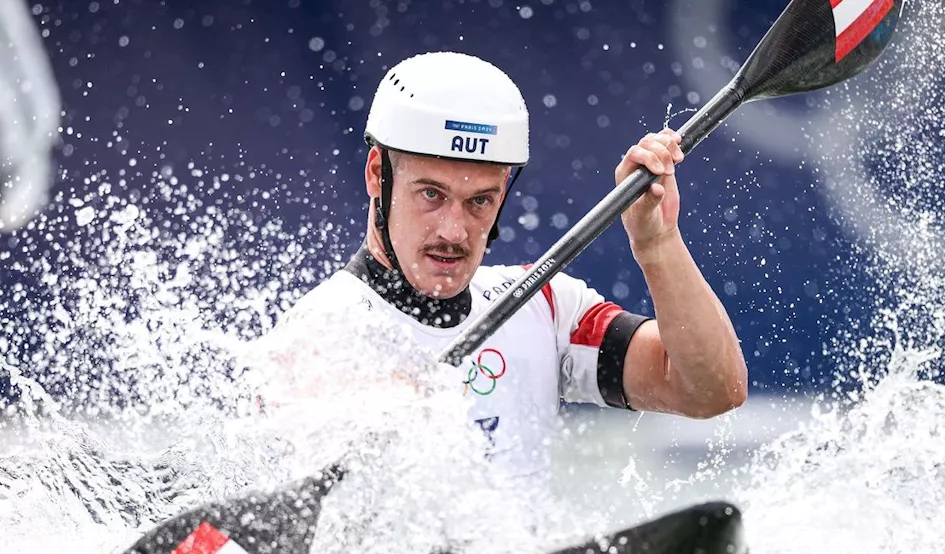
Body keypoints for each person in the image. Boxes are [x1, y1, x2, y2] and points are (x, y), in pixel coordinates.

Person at [248, 52, 747, 491]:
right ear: (378, 174)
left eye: (480, 201)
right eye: (432, 194)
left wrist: (657, 243)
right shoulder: (318, 334)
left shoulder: (544, 304)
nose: (455, 231)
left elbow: (711, 390)